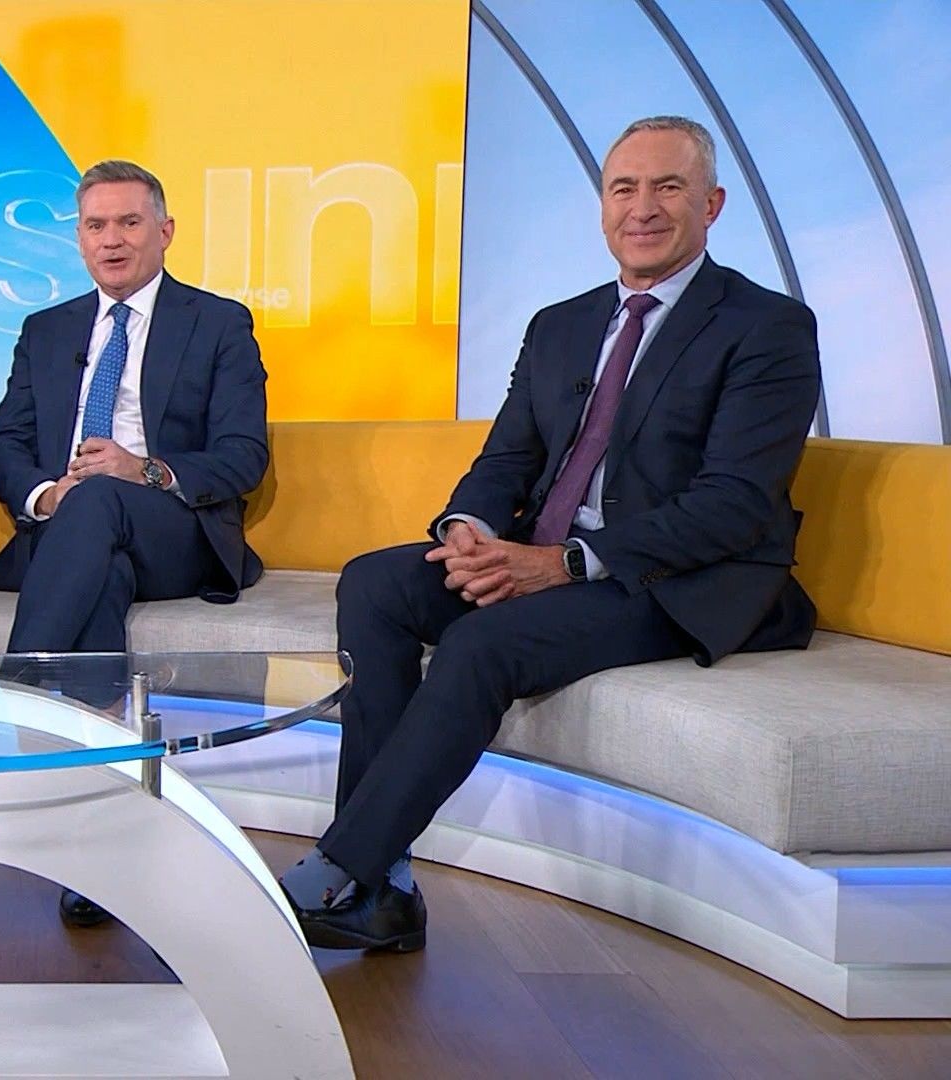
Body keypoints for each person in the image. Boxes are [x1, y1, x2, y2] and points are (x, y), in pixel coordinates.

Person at [283, 116, 823, 952]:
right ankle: (382, 880)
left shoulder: (767, 325)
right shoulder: (560, 324)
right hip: (546, 553)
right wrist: (469, 532)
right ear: (602, 207)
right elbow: (507, 459)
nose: (643, 208)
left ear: (712, 204)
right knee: (376, 581)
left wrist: (565, 562)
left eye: (669, 187)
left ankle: (340, 867)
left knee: (482, 644)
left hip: (676, 578)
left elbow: (734, 503)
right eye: (624, 188)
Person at [0, 159, 268, 925]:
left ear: (165, 232)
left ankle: (15, 699)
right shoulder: (47, 330)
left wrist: (144, 469)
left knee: (101, 498)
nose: (112, 239)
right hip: (78, 534)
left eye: (130, 222)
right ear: (79, 239)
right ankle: (102, 844)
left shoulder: (217, 322)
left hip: (175, 529)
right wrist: (47, 495)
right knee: (99, 568)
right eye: (96, 225)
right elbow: (7, 444)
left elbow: (243, 455)